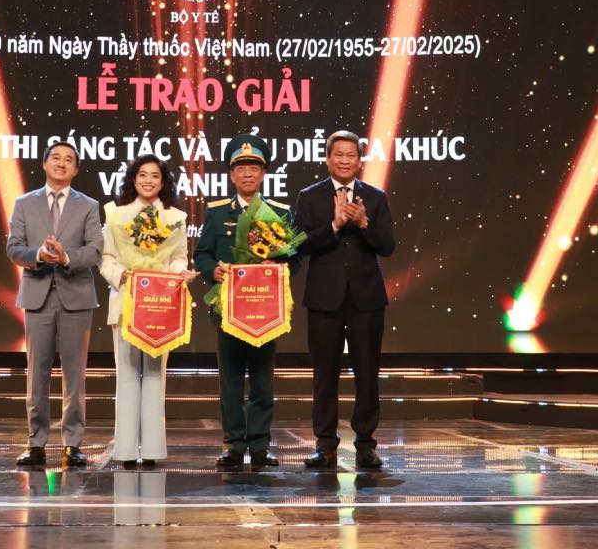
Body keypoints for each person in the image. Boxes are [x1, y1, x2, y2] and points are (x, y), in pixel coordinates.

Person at [193, 134, 299, 470]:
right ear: (231, 174)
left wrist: (275, 266)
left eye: (254, 167)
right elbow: (202, 255)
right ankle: (234, 445)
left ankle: (260, 446)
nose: (248, 173)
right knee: (231, 381)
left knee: (263, 382)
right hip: (228, 311)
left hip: (265, 310)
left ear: (263, 173)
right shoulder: (217, 213)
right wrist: (213, 271)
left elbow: (294, 259)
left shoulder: (278, 212)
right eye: (241, 168)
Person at [294, 130, 396, 470]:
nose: (344, 160)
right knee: (324, 374)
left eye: (351, 155)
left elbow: (388, 246)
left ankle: (366, 444)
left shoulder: (376, 197)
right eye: (338, 154)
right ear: (327, 159)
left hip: (367, 299)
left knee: (367, 372)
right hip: (324, 299)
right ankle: (325, 445)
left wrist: (364, 223)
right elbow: (299, 245)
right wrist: (335, 225)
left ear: (359, 160)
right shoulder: (309, 197)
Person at [7, 141, 103, 469]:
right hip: (37, 296)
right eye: (56, 158)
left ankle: (73, 444)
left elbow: (94, 250)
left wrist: (65, 257)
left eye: (69, 160)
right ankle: (36, 443)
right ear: (45, 164)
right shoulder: (24, 203)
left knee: (75, 376)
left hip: (76, 297)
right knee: (37, 374)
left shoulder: (88, 205)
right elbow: (14, 248)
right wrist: (38, 254)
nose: (62, 163)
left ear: (76, 169)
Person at [99, 155, 197, 468]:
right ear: (133, 178)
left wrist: (177, 274)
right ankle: (126, 451)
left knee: (155, 375)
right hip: (126, 303)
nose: (148, 181)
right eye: (142, 175)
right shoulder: (116, 215)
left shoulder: (175, 217)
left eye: (155, 176)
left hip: (160, 306)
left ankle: (153, 450)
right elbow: (107, 259)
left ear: (163, 182)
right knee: (127, 376)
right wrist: (124, 276)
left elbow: (179, 257)